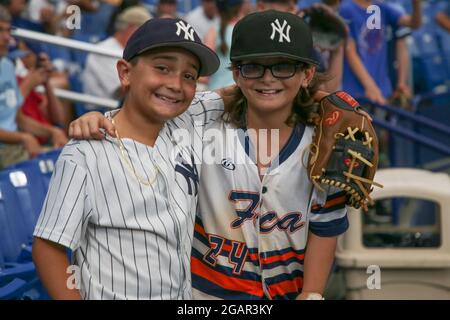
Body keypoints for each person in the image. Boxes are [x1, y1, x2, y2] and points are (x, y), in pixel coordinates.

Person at [70, 11, 354, 300]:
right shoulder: (200, 124)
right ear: (236, 74)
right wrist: (102, 118)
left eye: (283, 67)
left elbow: (325, 226)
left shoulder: (327, 140)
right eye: (253, 67)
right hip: (206, 295)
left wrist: (314, 292)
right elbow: (148, 108)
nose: (268, 79)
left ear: (306, 74)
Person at [32, 17, 220, 300]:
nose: (176, 84)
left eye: (189, 76)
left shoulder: (185, 123)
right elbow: (49, 247)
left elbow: (244, 93)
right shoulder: (85, 152)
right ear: (125, 73)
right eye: (162, 68)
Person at [0, 6, 67, 169]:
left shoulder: (7, 66)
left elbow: (18, 119)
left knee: (67, 159)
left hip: (14, 147)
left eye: (9, 31)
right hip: (7, 150)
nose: (7, 38)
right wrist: (23, 137)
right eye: (0, 31)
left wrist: (52, 131)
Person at [339, 0, 422, 105]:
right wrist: (370, 87)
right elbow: (349, 51)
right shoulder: (346, 9)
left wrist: (416, 4)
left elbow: (414, 24)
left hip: (381, 91)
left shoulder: (381, 7)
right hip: (356, 93)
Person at [82, 6, 152, 113]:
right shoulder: (103, 50)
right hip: (101, 112)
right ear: (131, 28)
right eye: (143, 31)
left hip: (121, 107)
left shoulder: (129, 50)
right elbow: (122, 89)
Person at [204, 0, 244, 90]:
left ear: (217, 8)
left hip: (216, 92)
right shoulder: (246, 30)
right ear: (241, 7)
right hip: (239, 92)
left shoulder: (213, 31)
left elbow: (203, 75)